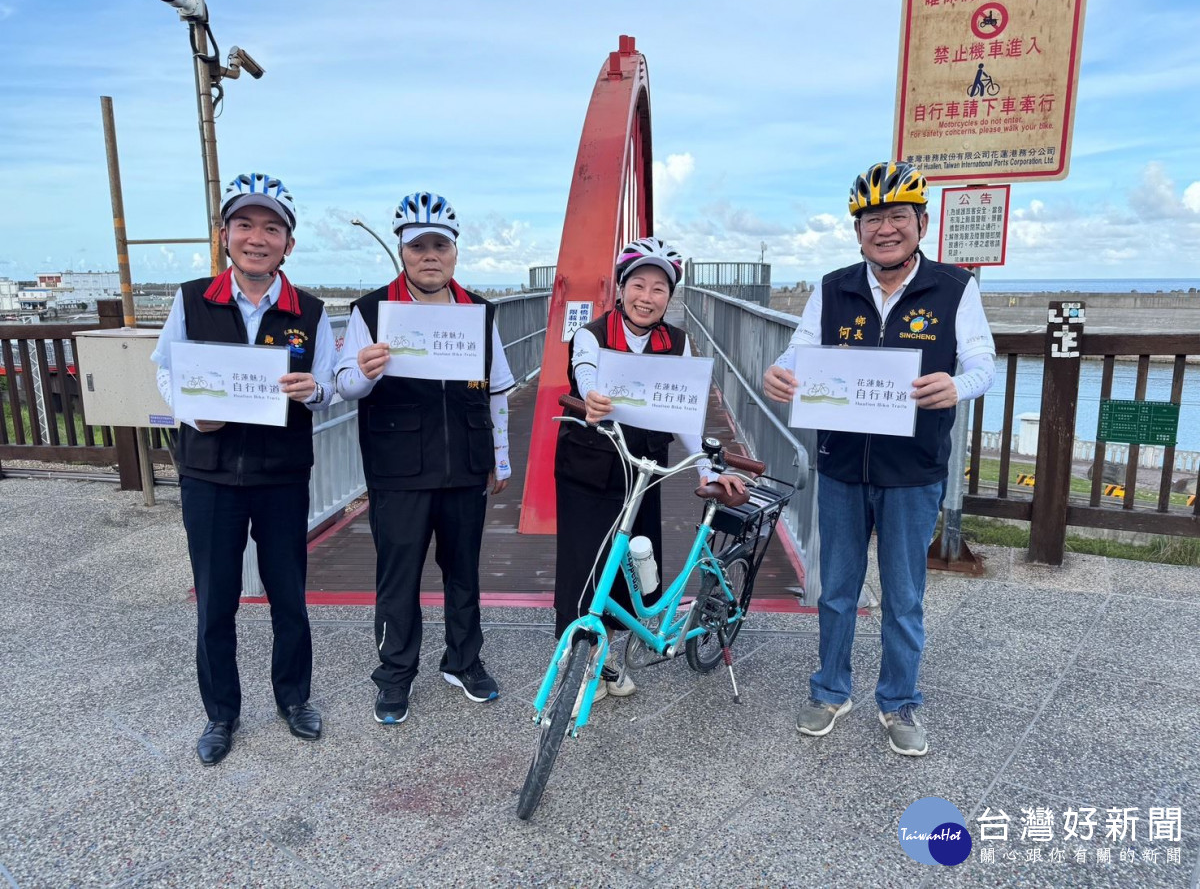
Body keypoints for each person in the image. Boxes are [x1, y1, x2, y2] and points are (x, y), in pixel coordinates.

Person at [763, 161, 996, 757]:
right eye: (872, 218)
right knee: (837, 588)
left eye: (897, 216)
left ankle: (899, 702)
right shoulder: (833, 286)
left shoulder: (954, 287)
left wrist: (958, 387)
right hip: (842, 464)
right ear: (857, 229)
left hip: (913, 469)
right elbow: (801, 350)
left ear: (920, 222)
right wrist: (784, 373)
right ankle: (830, 689)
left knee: (904, 594)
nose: (884, 228)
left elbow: (981, 363)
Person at [151, 172, 335, 766]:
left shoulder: (308, 309)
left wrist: (313, 389)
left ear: (289, 242)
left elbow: (329, 384)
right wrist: (190, 412)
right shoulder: (190, 298)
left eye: (272, 227)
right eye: (245, 225)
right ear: (225, 235)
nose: (258, 238)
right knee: (216, 600)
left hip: (281, 474)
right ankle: (221, 714)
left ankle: (293, 699)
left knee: (289, 596)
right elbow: (164, 372)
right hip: (207, 472)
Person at [335, 191, 515, 726]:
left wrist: (499, 458)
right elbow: (344, 386)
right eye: (418, 247)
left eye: (440, 245)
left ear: (455, 253)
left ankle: (464, 661)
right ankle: (395, 674)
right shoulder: (372, 311)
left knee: (463, 571)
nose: (429, 255)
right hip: (398, 468)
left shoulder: (480, 312)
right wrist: (365, 369)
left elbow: (499, 389)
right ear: (402, 251)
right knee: (399, 574)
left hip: (464, 462)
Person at [554, 237, 744, 705]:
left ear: (671, 296)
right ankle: (579, 662)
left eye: (660, 288)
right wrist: (593, 395)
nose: (647, 296)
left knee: (631, 569)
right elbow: (585, 372)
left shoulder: (676, 343)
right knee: (584, 566)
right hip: (590, 465)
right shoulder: (593, 334)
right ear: (620, 289)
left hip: (644, 470)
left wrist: (703, 468)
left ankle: (607, 658)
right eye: (638, 283)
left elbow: (685, 413)